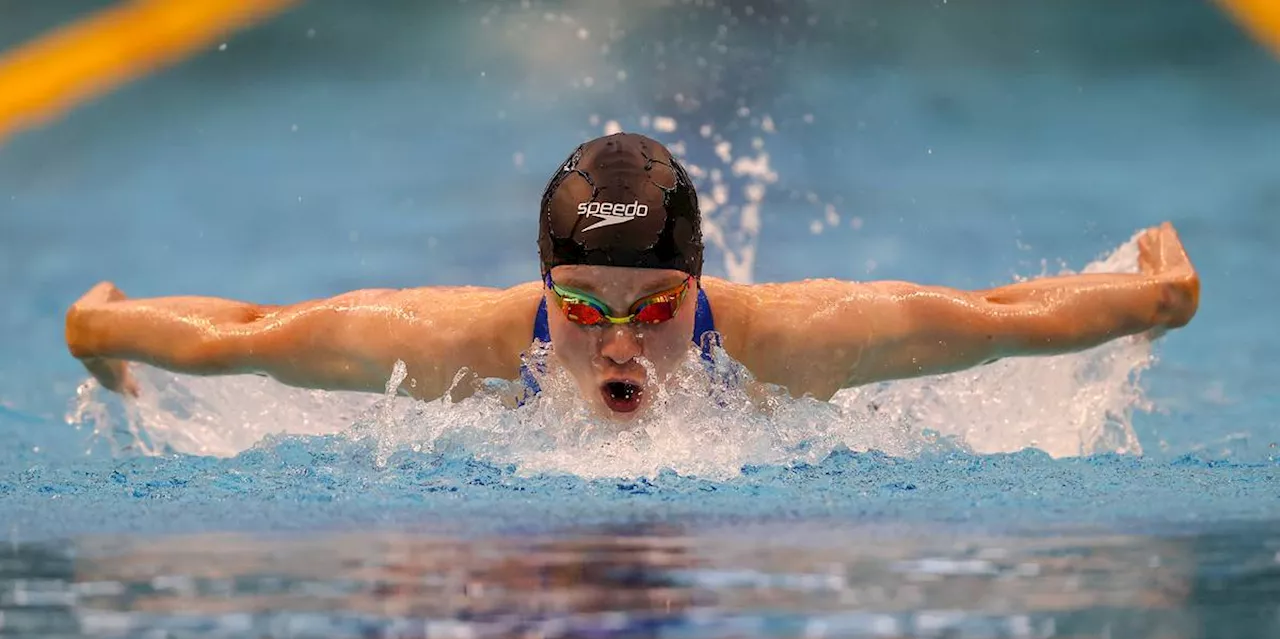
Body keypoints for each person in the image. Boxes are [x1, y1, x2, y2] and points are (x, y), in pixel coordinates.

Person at [64, 132, 1200, 419]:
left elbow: (997, 319)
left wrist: (1156, 295)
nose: (617, 345)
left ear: (697, 290)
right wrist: (99, 327)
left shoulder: (790, 341)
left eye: (654, 310)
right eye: (581, 309)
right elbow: (247, 330)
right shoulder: (458, 343)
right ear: (540, 291)